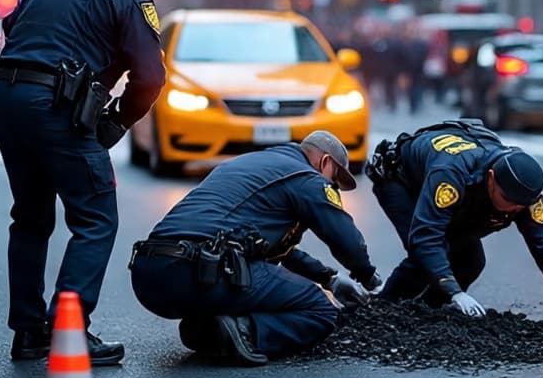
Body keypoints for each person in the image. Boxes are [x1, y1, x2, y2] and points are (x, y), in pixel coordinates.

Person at [0, 0, 169, 366]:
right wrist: (118, 122)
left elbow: (14, 28)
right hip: (55, 106)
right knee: (96, 218)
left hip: (3, 98)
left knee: (30, 217)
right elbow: (151, 76)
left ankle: (29, 333)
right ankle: (68, 332)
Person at [130, 132, 380, 364]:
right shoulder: (306, 177)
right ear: (325, 163)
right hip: (199, 272)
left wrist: (329, 278)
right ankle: (247, 331)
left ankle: (210, 329)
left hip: (151, 274)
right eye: (335, 180)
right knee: (319, 309)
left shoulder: (248, 165)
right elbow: (345, 238)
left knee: (252, 271)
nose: (334, 188)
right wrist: (367, 276)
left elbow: (277, 252)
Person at [368, 120, 543, 325]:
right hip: (401, 180)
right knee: (427, 254)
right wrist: (454, 292)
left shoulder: (525, 196)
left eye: (520, 207)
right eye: (507, 200)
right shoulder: (451, 174)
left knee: (471, 262)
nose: (513, 209)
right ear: (491, 178)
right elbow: (426, 237)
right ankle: (382, 311)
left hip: (463, 194)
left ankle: (426, 315)